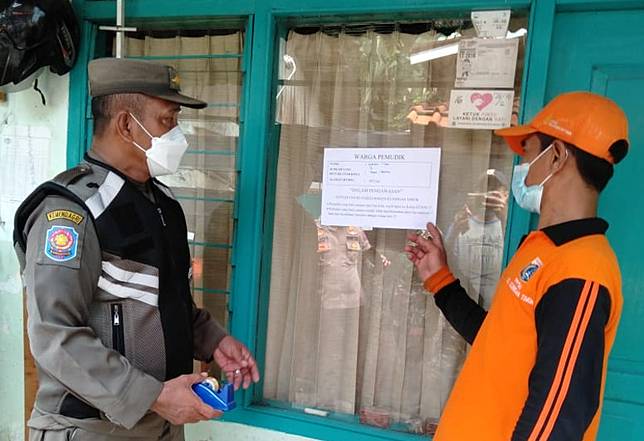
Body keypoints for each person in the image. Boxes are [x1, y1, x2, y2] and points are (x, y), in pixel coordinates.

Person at [13, 58, 260, 441]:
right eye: (167, 120)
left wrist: (214, 340)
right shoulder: (70, 213)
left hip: (159, 424)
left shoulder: (162, 206)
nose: (179, 135)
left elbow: (164, 301)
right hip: (91, 429)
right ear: (127, 124)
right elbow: (55, 335)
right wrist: (154, 395)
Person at [405, 91, 629, 440]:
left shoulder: (582, 270)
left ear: (556, 157)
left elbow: (560, 416)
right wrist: (441, 281)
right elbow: (498, 341)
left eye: (526, 153)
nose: (519, 168)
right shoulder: (544, 250)